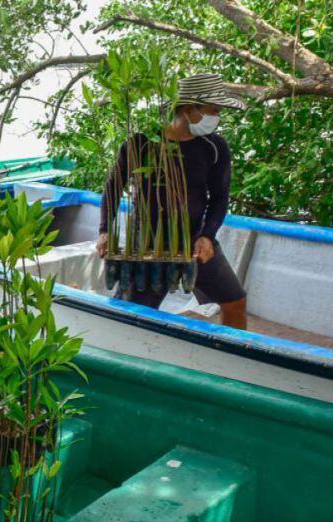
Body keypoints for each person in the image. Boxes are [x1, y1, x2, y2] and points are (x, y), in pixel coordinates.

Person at [97, 73, 248, 330]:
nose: (217, 116)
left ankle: (229, 361)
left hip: (195, 242)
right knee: (133, 317)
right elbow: (113, 187)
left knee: (235, 302)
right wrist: (103, 231)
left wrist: (207, 235)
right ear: (189, 108)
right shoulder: (142, 142)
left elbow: (220, 197)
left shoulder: (214, 147)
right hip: (148, 247)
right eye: (213, 110)